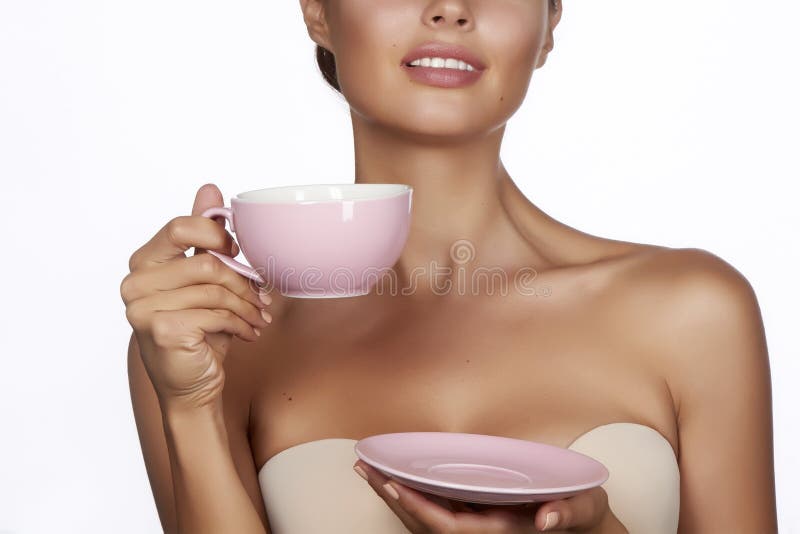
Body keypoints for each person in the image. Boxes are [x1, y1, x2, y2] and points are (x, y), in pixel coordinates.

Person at [120, 0, 778, 532]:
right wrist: (189, 406)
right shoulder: (211, 337)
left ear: (549, 24)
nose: (451, 8)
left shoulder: (693, 313)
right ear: (318, 11)